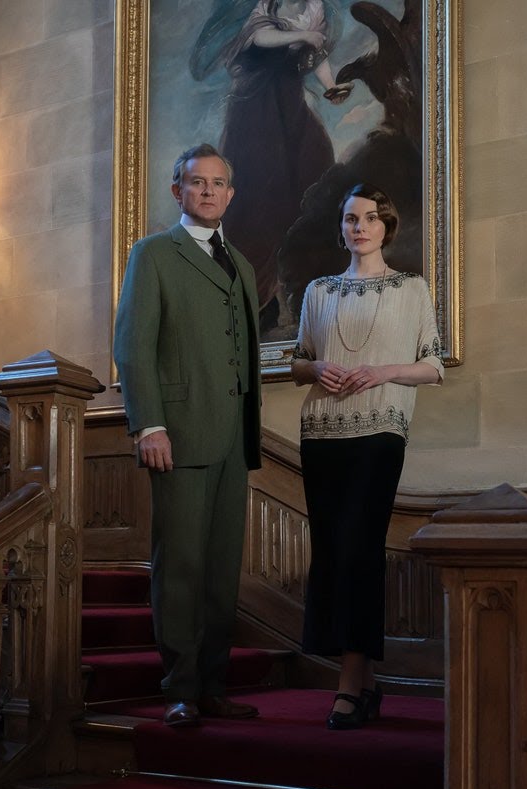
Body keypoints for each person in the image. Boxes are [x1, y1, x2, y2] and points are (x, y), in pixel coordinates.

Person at [113, 143, 263, 728]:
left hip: (233, 440)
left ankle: (212, 686)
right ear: (177, 191)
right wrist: (149, 423)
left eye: (218, 183)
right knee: (179, 566)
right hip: (177, 432)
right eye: (195, 182)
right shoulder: (153, 254)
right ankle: (179, 687)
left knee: (222, 570)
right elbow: (133, 344)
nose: (207, 191)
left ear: (230, 194)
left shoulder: (244, 265)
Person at [289, 184, 442, 729]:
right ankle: (368, 682)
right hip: (321, 432)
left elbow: (432, 365)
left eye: (370, 218)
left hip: (381, 430)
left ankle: (348, 683)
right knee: (332, 551)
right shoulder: (319, 291)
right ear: (342, 228)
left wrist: (382, 371)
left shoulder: (411, 288)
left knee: (360, 549)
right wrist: (317, 369)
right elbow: (299, 362)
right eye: (350, 218)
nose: (359, 227)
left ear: (386, 227)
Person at [191, 0, 352, 335]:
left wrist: (331, 87)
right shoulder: (263, 6)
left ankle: (305, 291)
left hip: (289, 106)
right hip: (256, 110)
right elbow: (260, 37)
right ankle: (258, 299)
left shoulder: (314, 8)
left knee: (314, 172)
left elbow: (314, 54)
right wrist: (306, 34)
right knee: (263, 196)